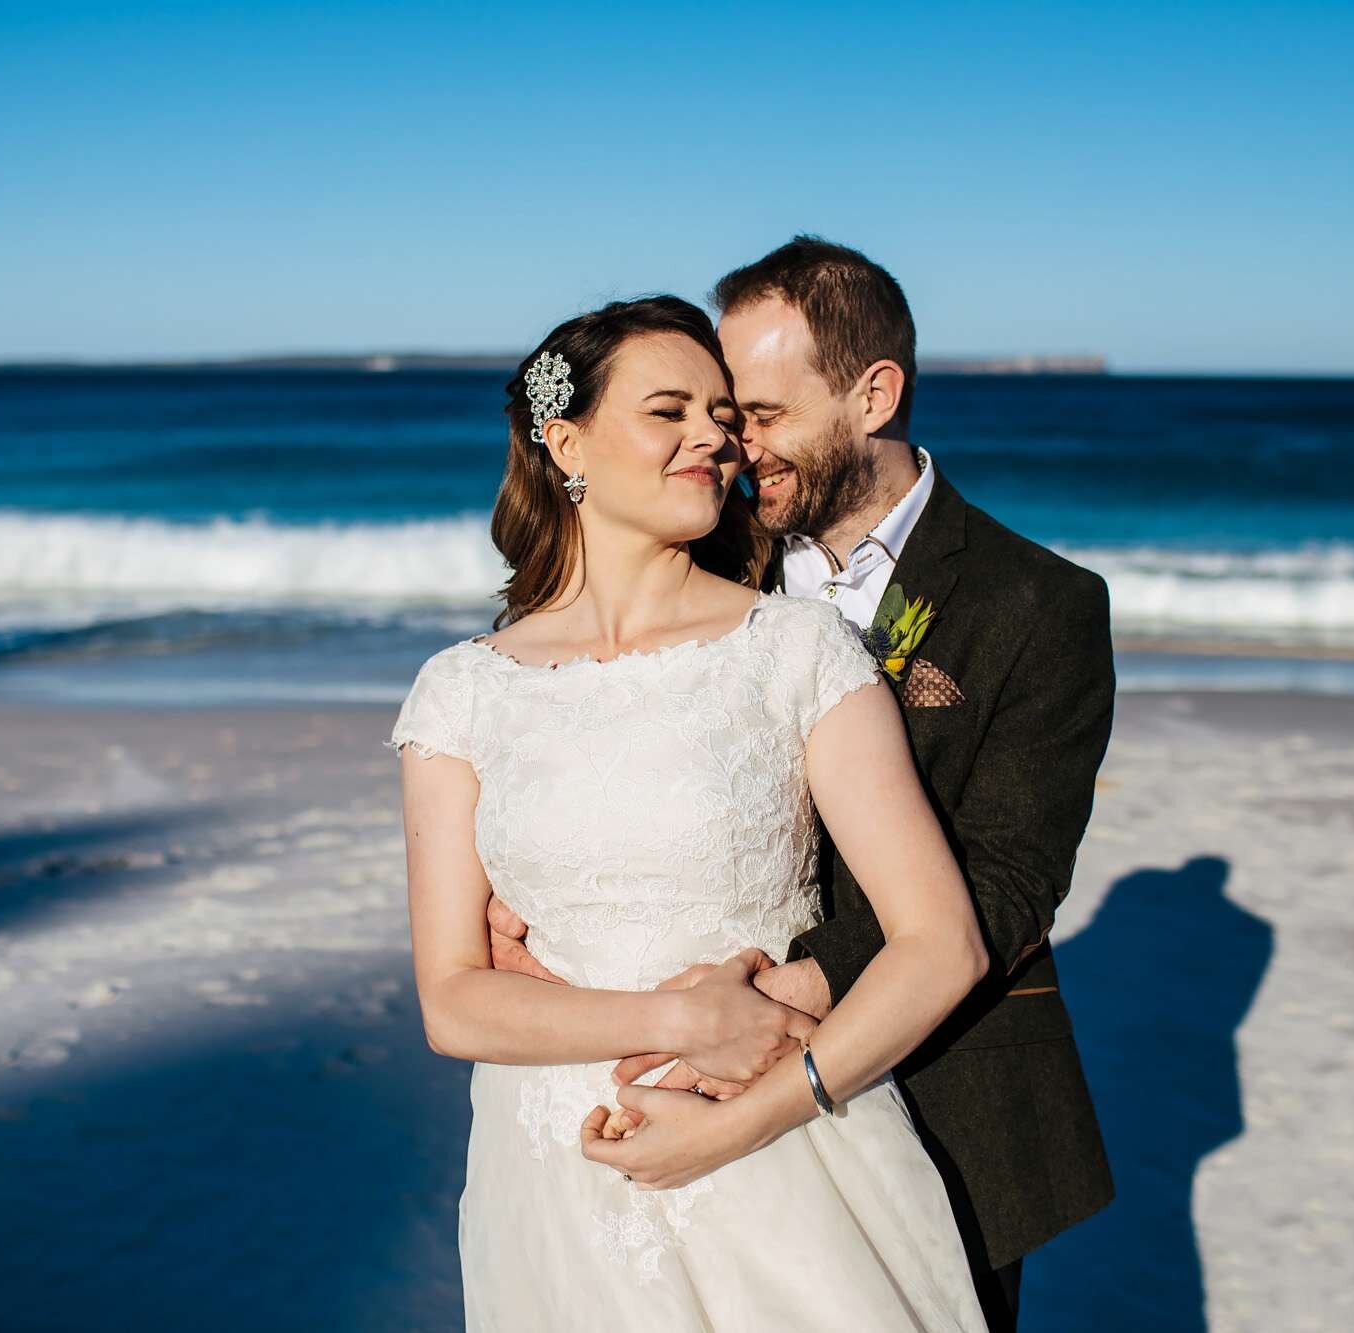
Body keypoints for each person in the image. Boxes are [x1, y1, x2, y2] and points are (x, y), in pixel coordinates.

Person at [488, 238, 1117, 1332]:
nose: (735, 446)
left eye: (763, 415)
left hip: (942, 1085)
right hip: (676, 1065)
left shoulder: (1035, 605)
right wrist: (523, 881)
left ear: (873, 395)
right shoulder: (706, 551)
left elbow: (1008, 880)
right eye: (728, 416)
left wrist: (784, 991)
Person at [392, 294, 992, 1329]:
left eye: (721, 414)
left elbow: (941, 945)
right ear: (565, 442)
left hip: (779, 1149)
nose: (712, 438)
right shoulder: (461, 691)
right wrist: (678, 1016)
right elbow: (452, 999)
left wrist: (750, 1109)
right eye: (667, 411)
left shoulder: (793, 650)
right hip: (553, 1172)